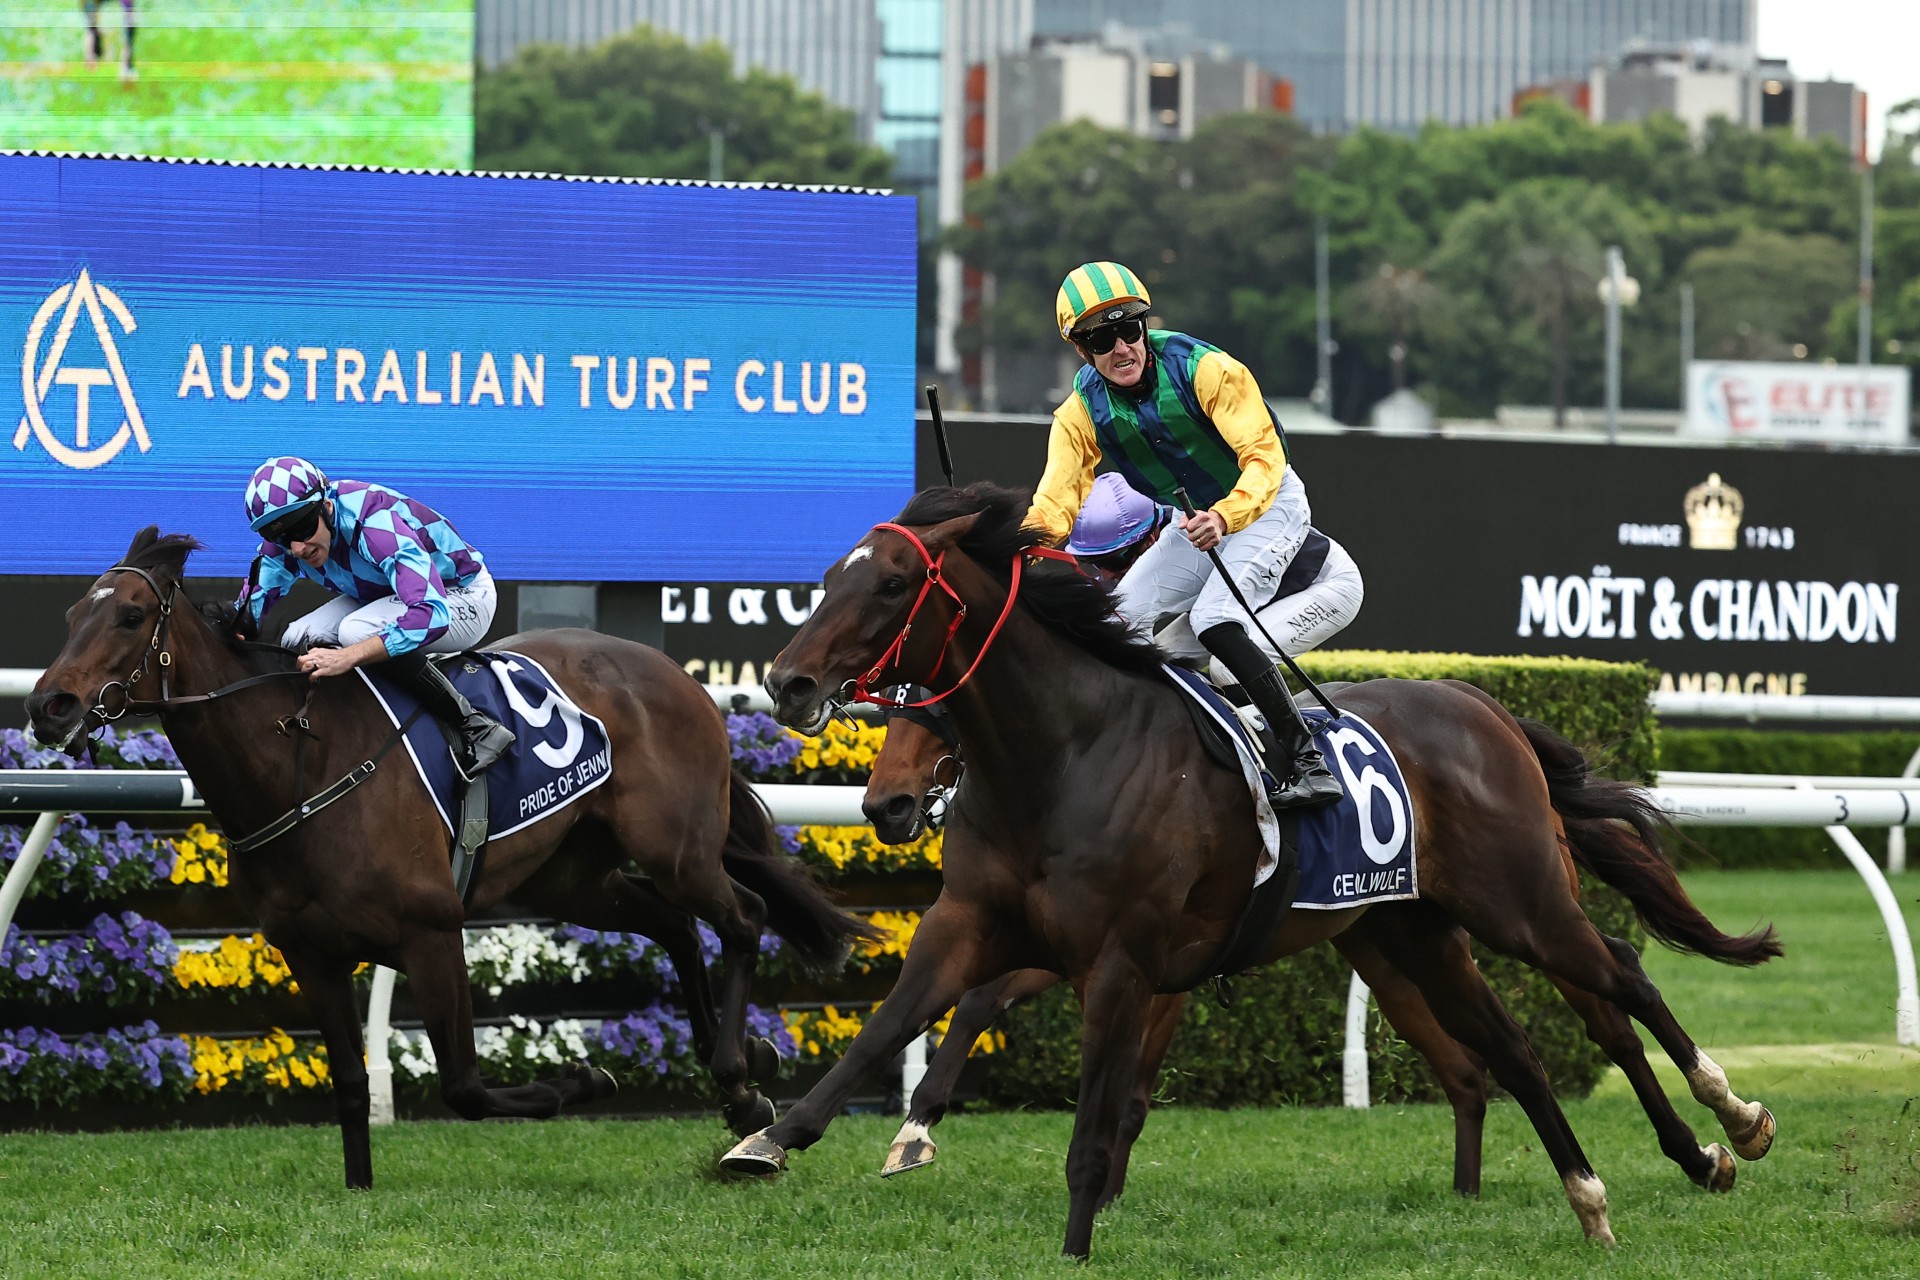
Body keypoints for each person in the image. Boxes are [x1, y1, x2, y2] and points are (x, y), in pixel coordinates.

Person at [1026, 261, 1343, 809]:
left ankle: (1306, 758)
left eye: (1130, 329)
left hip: (1266, 503)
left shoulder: (1208, 370)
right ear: (1082, 350)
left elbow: (1263, 459)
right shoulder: (1078, 414)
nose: (1121, 348)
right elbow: (1056, 502)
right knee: (1118, 619)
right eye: (1102, 338)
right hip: (1194, 519)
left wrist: (1225, 516)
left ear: (1146, 327)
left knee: (1214, 620)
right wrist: (1017, 554)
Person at [236, 456, 514, 777]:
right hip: (386, 595)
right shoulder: (287, 547)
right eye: (280, 536)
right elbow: (246, 618)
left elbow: (430, 615)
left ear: (326, 506)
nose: (297, 547)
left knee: (355, 633)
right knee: (295, 637)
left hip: (461, 595)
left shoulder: (375, 525)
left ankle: (474, 724)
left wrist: (347, 658)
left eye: (301, 527)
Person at [1067, 472, 1364, 677]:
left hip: (1326, 585)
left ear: (1152, 537)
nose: (1106, 573)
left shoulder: (1188, 534)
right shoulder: (1166, 530)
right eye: (1094, 562)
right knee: (1162, 665)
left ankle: (1300, 757)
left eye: (1115, 558)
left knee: (1228, 668)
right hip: (1248, 602)